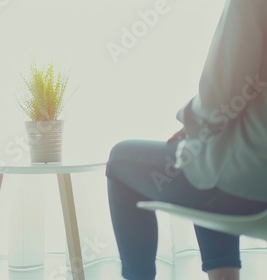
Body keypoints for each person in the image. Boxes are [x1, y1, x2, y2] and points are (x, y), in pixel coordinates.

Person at [106, 0, 267, 279]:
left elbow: (221, 95)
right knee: (201, 151)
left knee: (121, 159)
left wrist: (191, 118)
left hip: (250, 185)